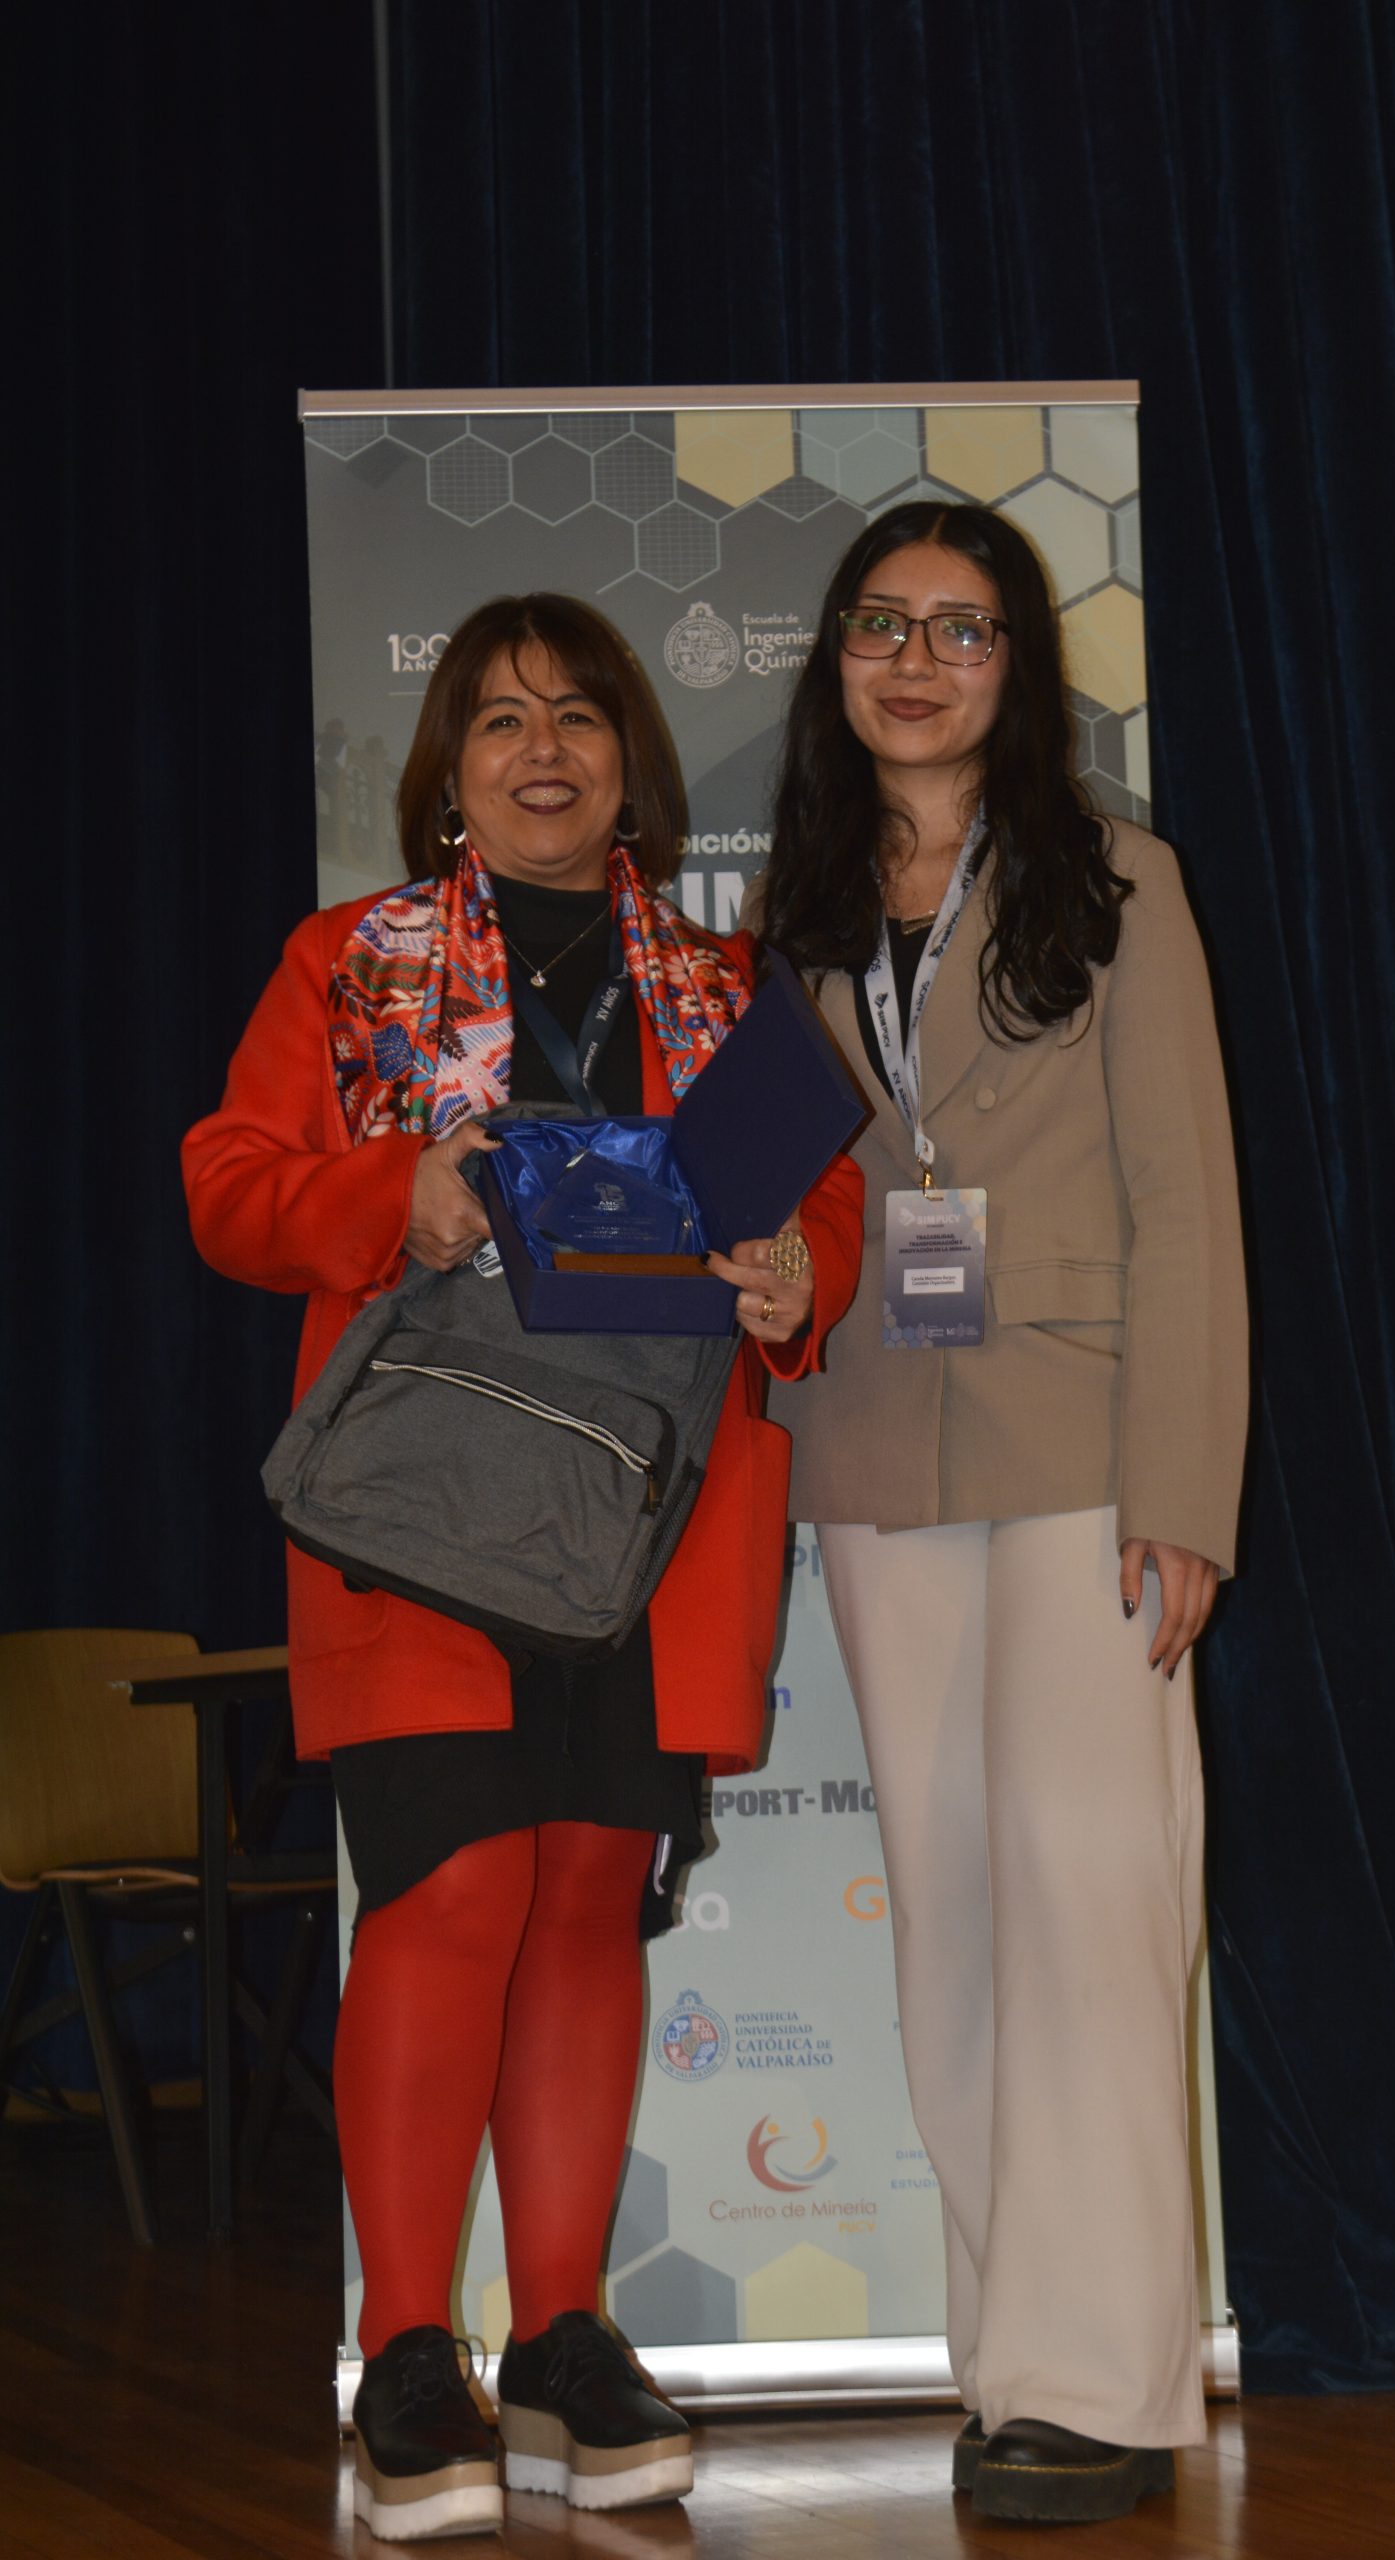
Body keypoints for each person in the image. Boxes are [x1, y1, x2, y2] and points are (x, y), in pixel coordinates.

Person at [183, 593, 861, 2542]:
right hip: (424, 1500)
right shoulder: (348, 963)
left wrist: (799, 1268)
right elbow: (227, 1183)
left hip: (655, 1511)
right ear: (448, 772)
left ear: (628, 760)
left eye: (575, 714)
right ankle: (408, 2348)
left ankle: (562, 2332)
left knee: (581, 1895)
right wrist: (383, 1194)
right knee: (454, 1882)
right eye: (497, 718)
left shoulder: (726, 984)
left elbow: (817, 1200)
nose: (540, 748)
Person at [749, 502, 1248, 2525]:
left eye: (958, 629)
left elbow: (1185, 1197)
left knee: (1089, 1890)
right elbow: (778, 1188)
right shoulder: (793, 906)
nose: (915, 660)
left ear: (1016, 666)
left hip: (1087, 1443)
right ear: (837, 659)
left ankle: (1108, 2377)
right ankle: (1009, 2359)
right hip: (876, 1448)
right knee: (951, 1912)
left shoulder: (1118, 877)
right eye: (881, 623)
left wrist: (1185, 1486)